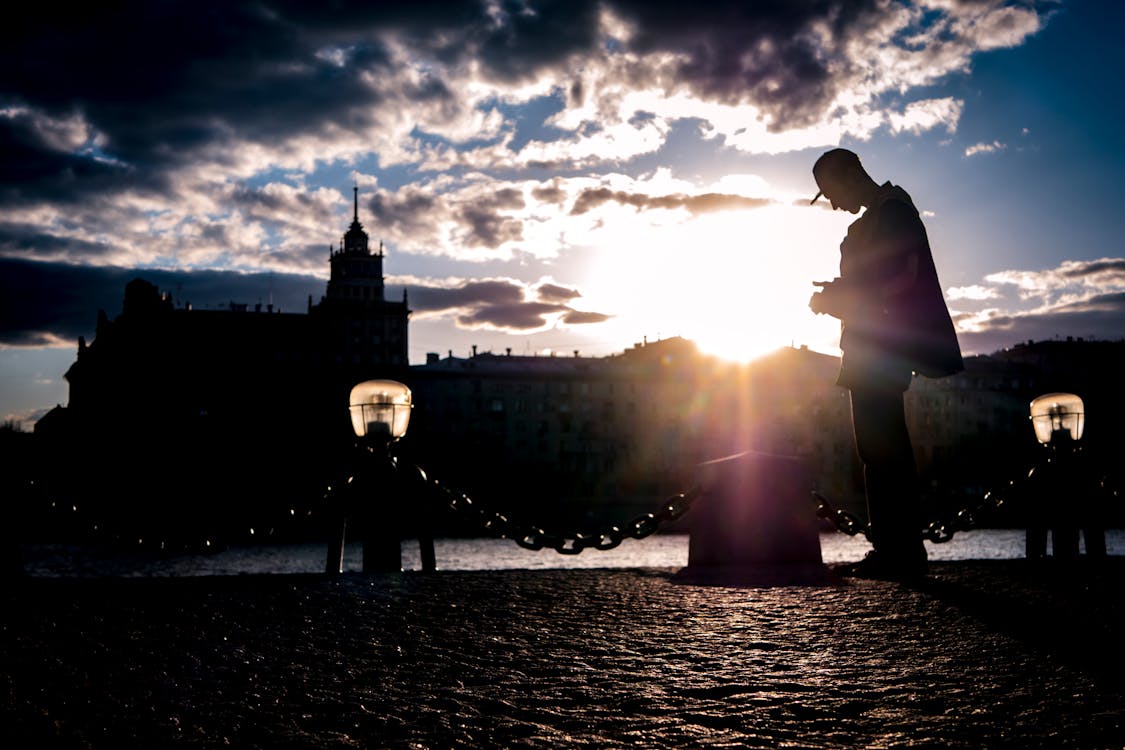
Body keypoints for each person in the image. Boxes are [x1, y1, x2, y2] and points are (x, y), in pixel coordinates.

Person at [808, 148, 963, 580]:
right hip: (869, 344)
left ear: (851, 175)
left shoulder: (892, 210)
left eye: (831, 192)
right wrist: (836, 294)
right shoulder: (873, 219)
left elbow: (902, 279)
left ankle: (901, 551)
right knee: (876, 448)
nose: (834, 204)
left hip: (882, 346)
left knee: (884, 447)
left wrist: (838, 299)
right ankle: (895, 547)